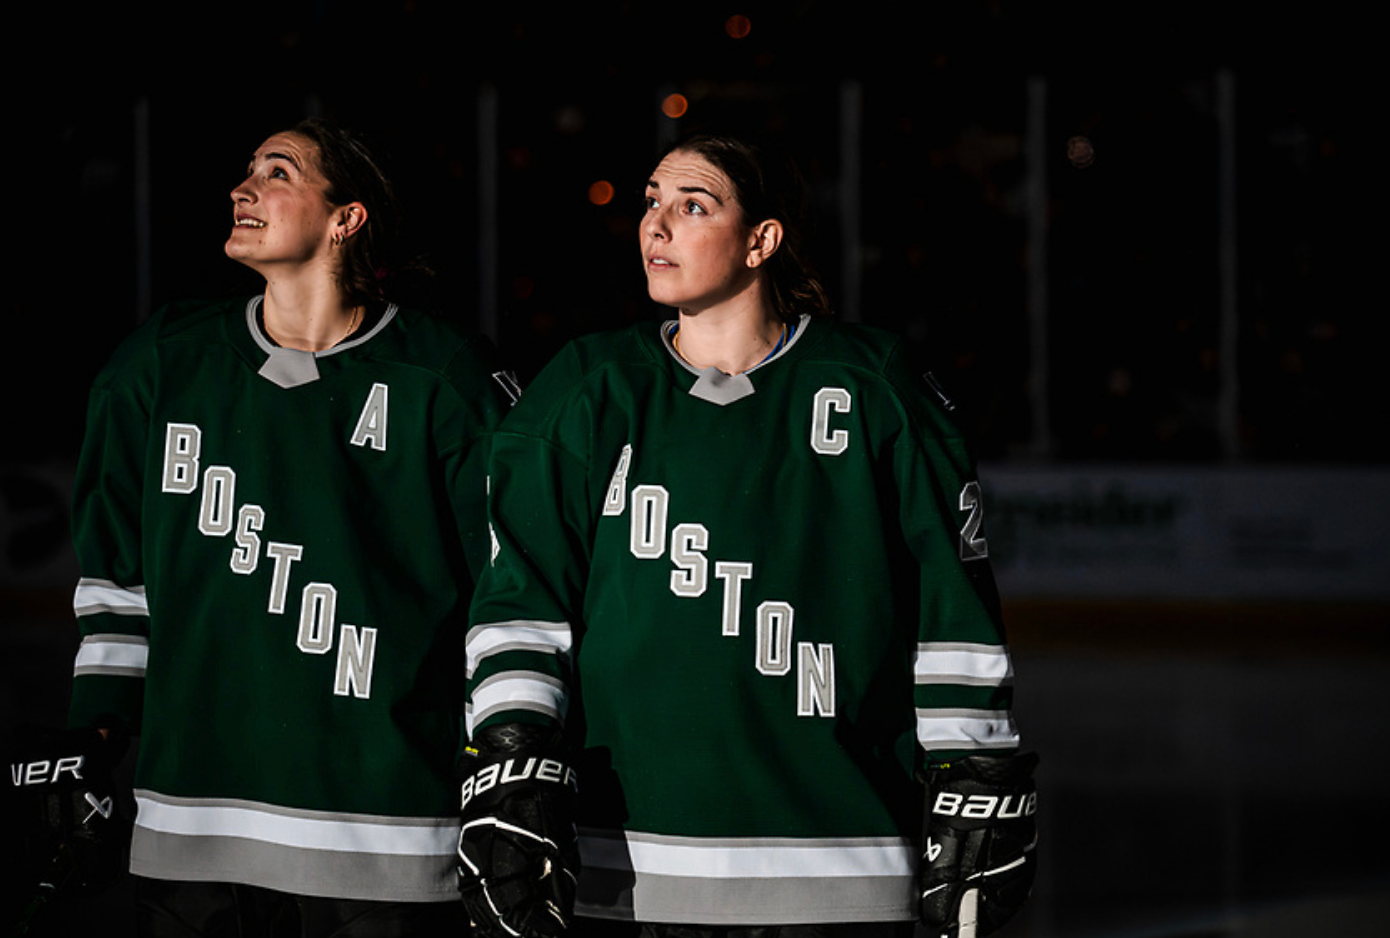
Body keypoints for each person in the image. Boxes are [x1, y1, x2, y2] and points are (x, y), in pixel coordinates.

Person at [457, 132, 1038, 938]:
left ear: (762, 240)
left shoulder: (877, 388)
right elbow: (523, 604)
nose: (656, 225)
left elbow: (952, 612)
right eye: (651, 201)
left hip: (844, 867)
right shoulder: (585, 389)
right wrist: (512, 759)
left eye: (692, 206)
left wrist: (977, 767)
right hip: (628, 873)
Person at [28, 116, 514, 936]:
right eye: (246, 169)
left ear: (345, 218)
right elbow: (118, 582)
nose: (242, 187)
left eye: (278, 172)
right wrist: (94, 734)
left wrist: (511, 759)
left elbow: (511, 593)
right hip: (193, 833)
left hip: (387, 835)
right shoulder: (160, 363)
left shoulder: (446, 376)